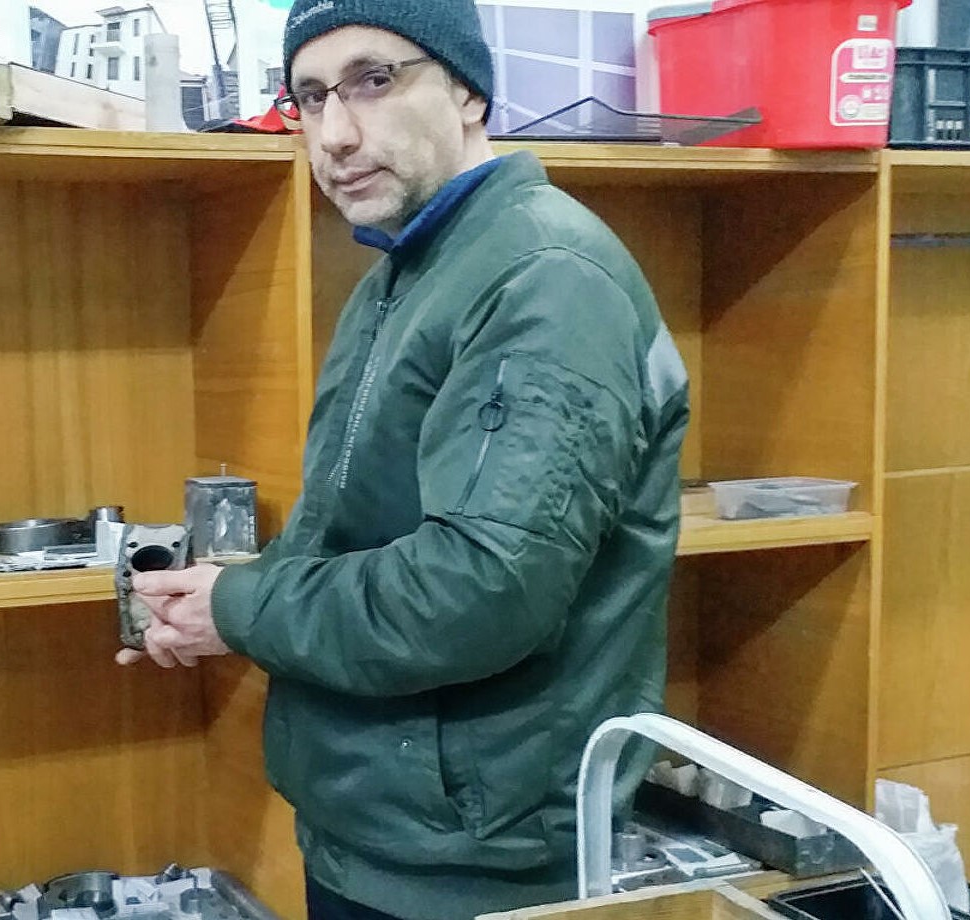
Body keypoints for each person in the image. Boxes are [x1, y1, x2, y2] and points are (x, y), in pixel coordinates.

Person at [115, 0, 690, 917]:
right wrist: (225, 600)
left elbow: (478, 592)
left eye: (374, 80)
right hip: (378, 823)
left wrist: (242, 606)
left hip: (471, 856)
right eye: (310, 97)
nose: (336, 134)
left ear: (469, 92)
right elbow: (353, 531)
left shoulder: (542, 276)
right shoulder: (406, 274)